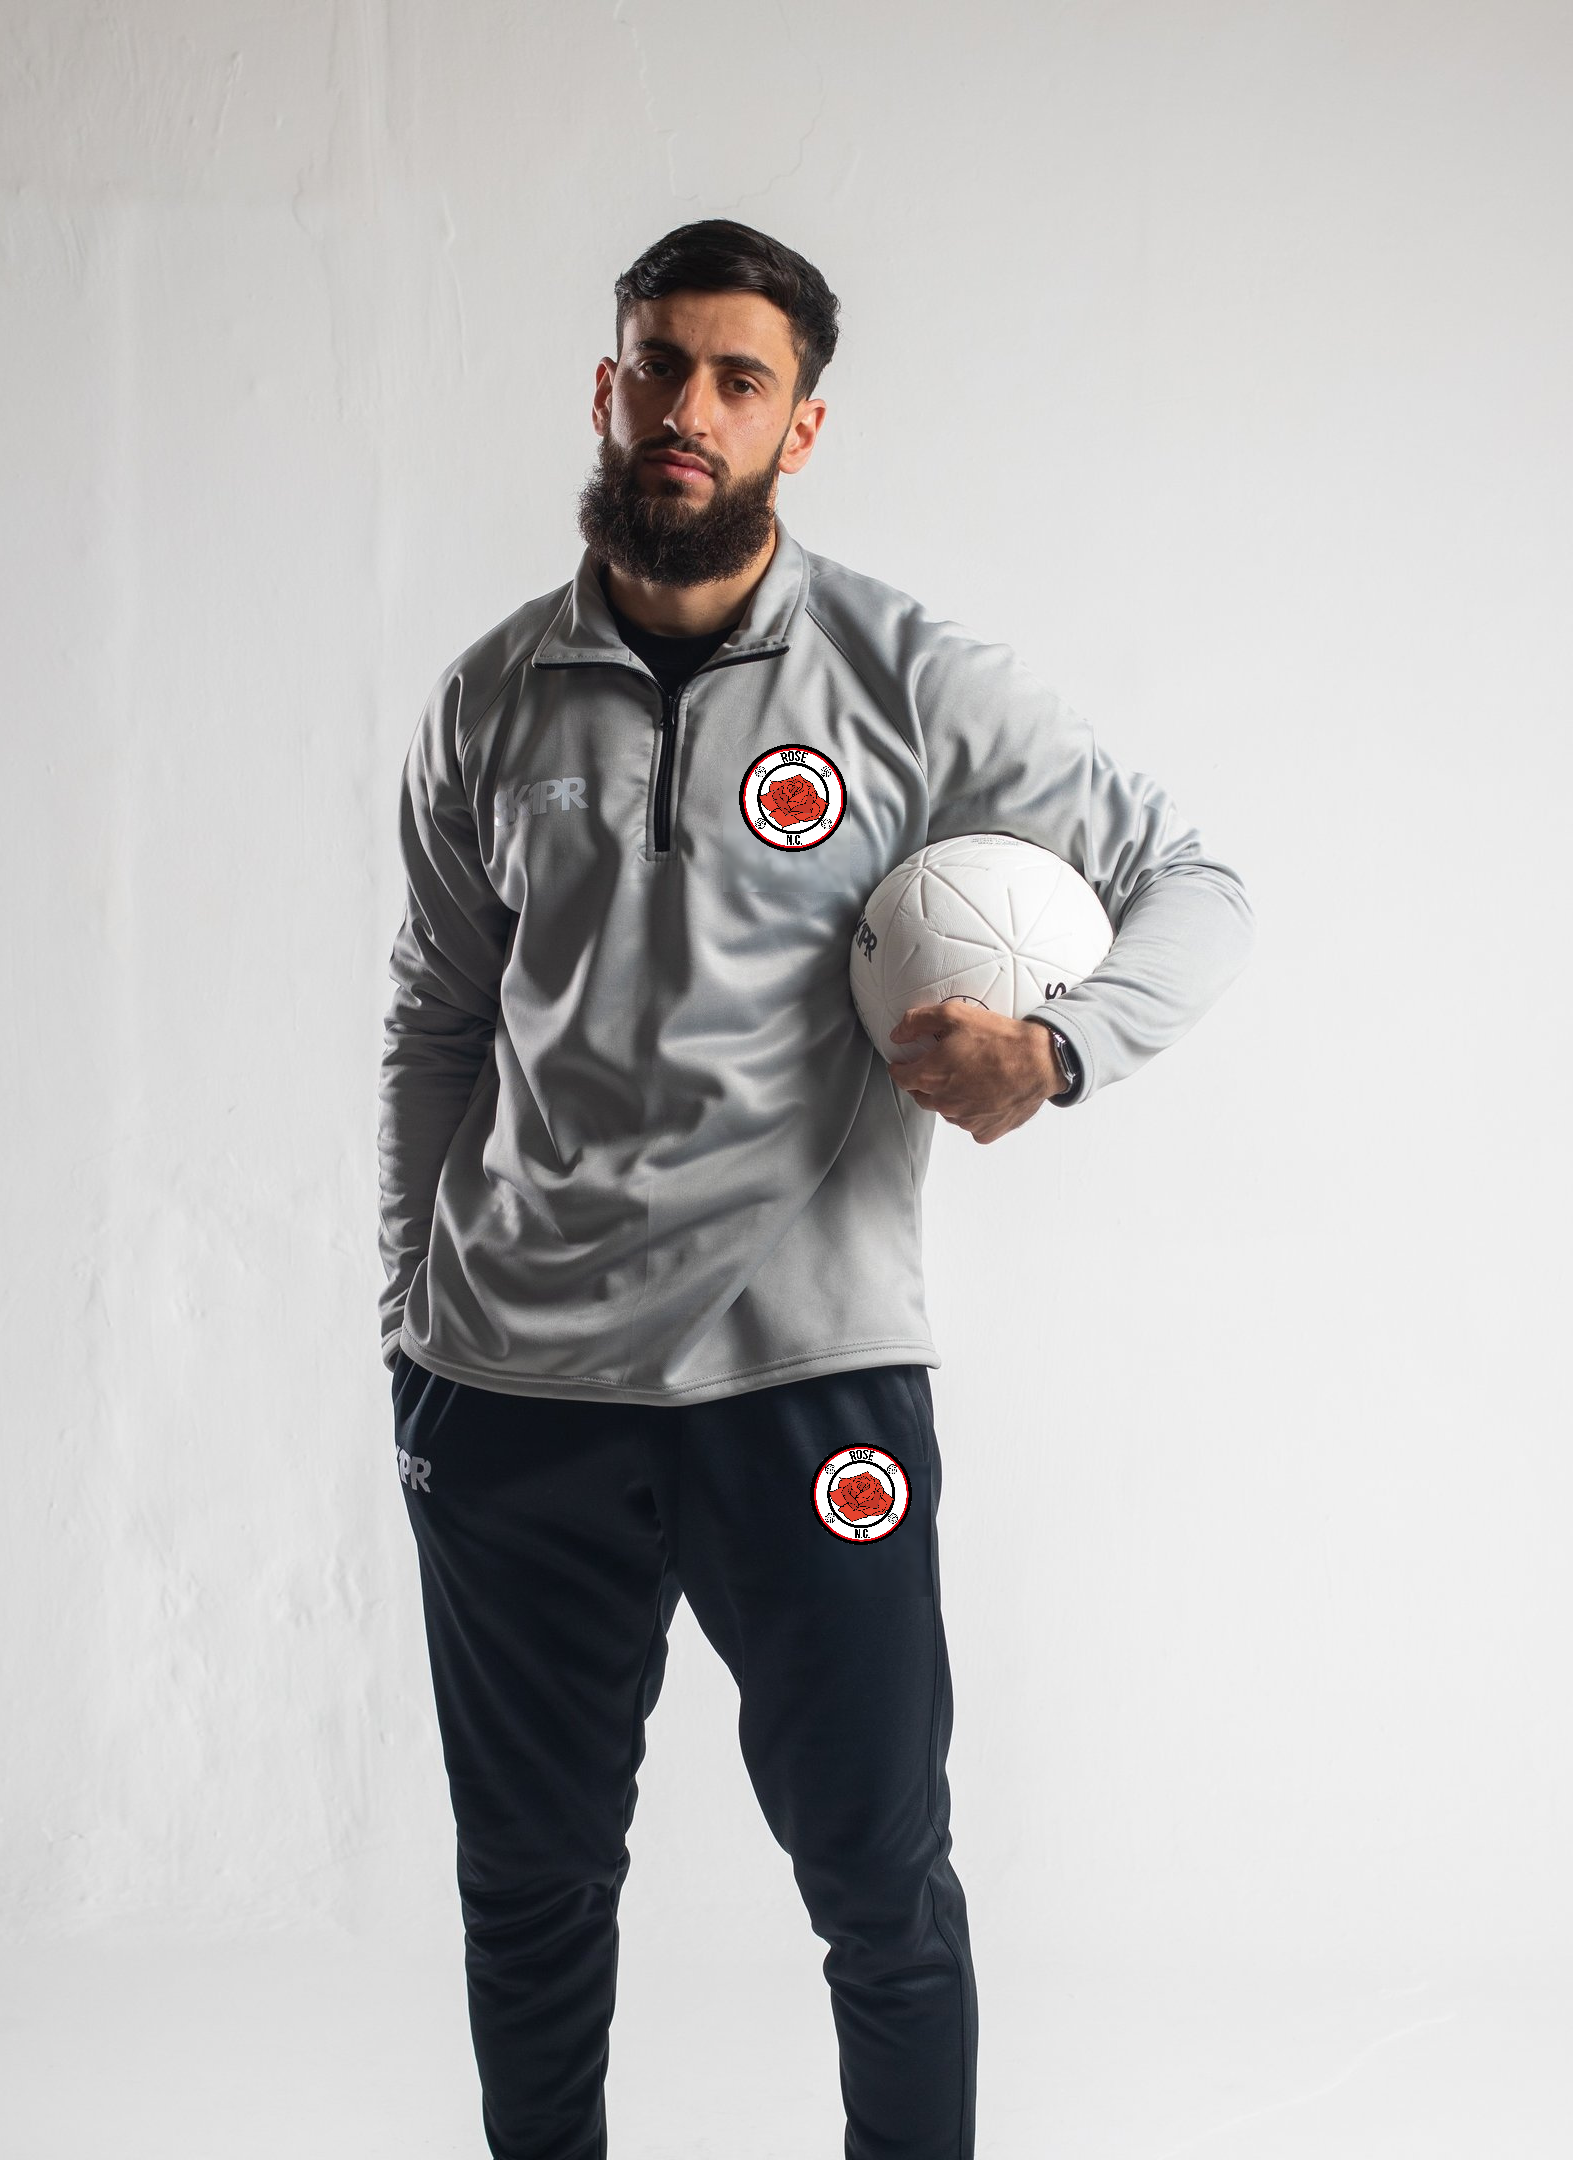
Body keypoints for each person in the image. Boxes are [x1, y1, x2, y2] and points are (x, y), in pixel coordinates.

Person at [378, 219, 1253, 2160]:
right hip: (511, 1394)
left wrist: (1058, 1052)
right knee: (528, 1892)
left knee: (882, 1888)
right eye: (657, 365)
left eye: (737, 378)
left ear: (801, 426)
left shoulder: (909, 679)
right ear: (606, 388)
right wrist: (408, 1326)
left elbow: (1194, 884)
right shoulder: (488, 697)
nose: (686, 408)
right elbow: (435, 1021)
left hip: (808, 1388)